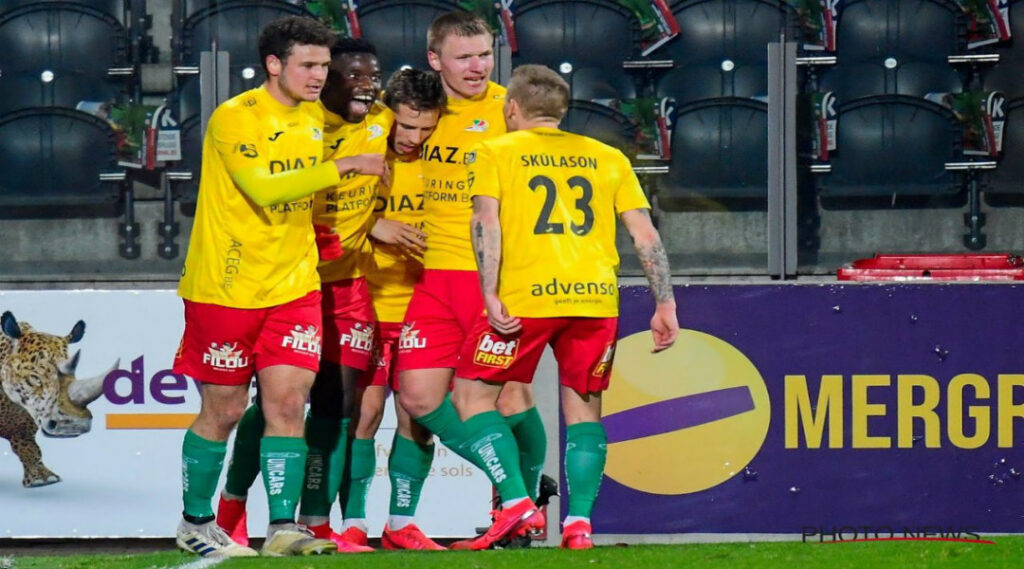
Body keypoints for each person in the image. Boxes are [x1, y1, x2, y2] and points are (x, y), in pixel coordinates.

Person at [172, 16, 387, 558]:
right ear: (274, 64)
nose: (319, 76)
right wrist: (345, 166)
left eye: (324, 66)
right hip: (227, 286)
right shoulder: (235, 117)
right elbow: (264, 189)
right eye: (308, 65)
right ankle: (196, 522)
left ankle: (283, 528)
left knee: (289, 405)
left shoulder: (314, 115)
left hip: (294, 286)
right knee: (224, 411)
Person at [450, 64, 679, 551]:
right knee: (585, 413)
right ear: (561, 110)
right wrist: (665, 302)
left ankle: (516, 502)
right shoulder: (608, 157)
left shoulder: (494, 150)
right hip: (594, 300)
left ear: (512, 107)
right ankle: (579, 525)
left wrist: (488, 291)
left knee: (471, 398)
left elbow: (486, 222)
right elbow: (645, 234)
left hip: (527, 299)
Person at [395, 10, 549, 515]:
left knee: (510, 398)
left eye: (485, 54)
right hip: (434, 276)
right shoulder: (416, 109)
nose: (478, 66)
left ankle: (517, 510)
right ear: (434, 59)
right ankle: (521, 488)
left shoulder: (512, 110)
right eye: (464, 57)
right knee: (418, 398)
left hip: (498, 277)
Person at [338, 68, 448, 551]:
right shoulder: (362, 153)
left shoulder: (444, 164)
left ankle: (401, 523)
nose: (414, 138)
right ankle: (352, 524)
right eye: (406, 126)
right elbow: (320, 208)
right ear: (388, 114)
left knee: (417, 419)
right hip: (366, 301)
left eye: (426, 128)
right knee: (363, 416)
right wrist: (373, 225)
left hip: (424, 307)